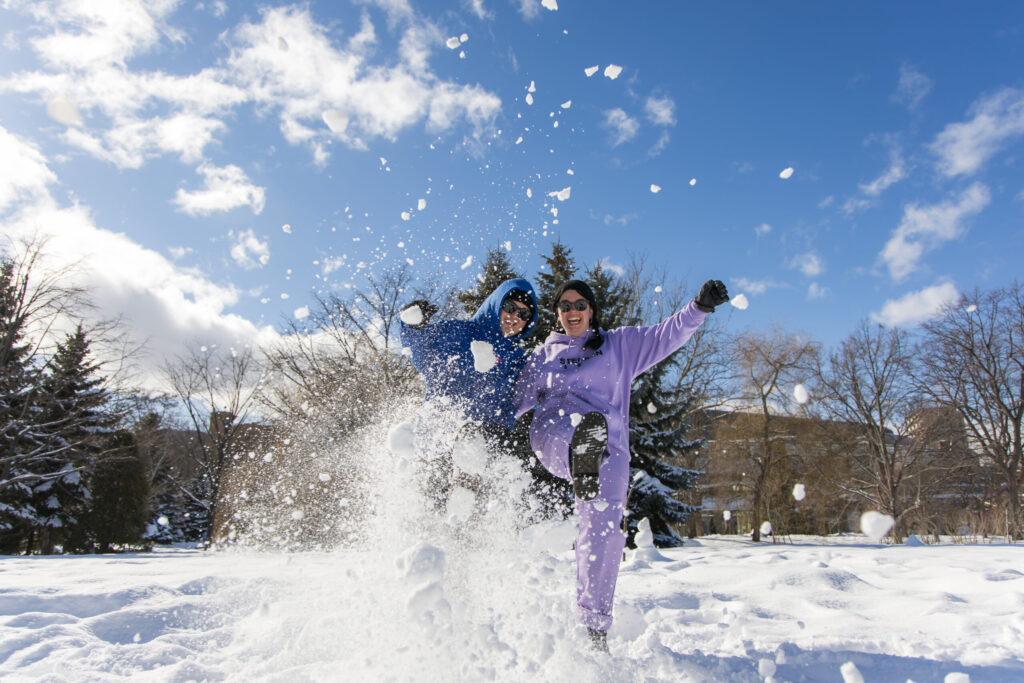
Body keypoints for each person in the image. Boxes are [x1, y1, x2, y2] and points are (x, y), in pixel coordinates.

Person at [514, 278, 729, 651]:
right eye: (565, 306)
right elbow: (512, 406)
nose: (573, 312)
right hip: (555, 432)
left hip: (609, 449)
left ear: (592, 310)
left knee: (604, 534)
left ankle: (595, 629)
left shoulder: (619, 345)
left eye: (580, 304)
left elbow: (666, 335)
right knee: (565, 428)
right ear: (557, 314)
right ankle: (578, 453)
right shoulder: (541, 358)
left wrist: (698, 308)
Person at [400, 277, 572, 520]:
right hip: (438, 440)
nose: (515, 316)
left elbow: (541, 388)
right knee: (428, 521)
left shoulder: (518, 361)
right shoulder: (458, 333)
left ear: (528, 323)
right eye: (510, 307)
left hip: (485, 444)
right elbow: (418, 350)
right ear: (496, 305)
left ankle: (466, 498)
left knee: (467, 519)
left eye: (523, 314)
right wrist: (413, 324)